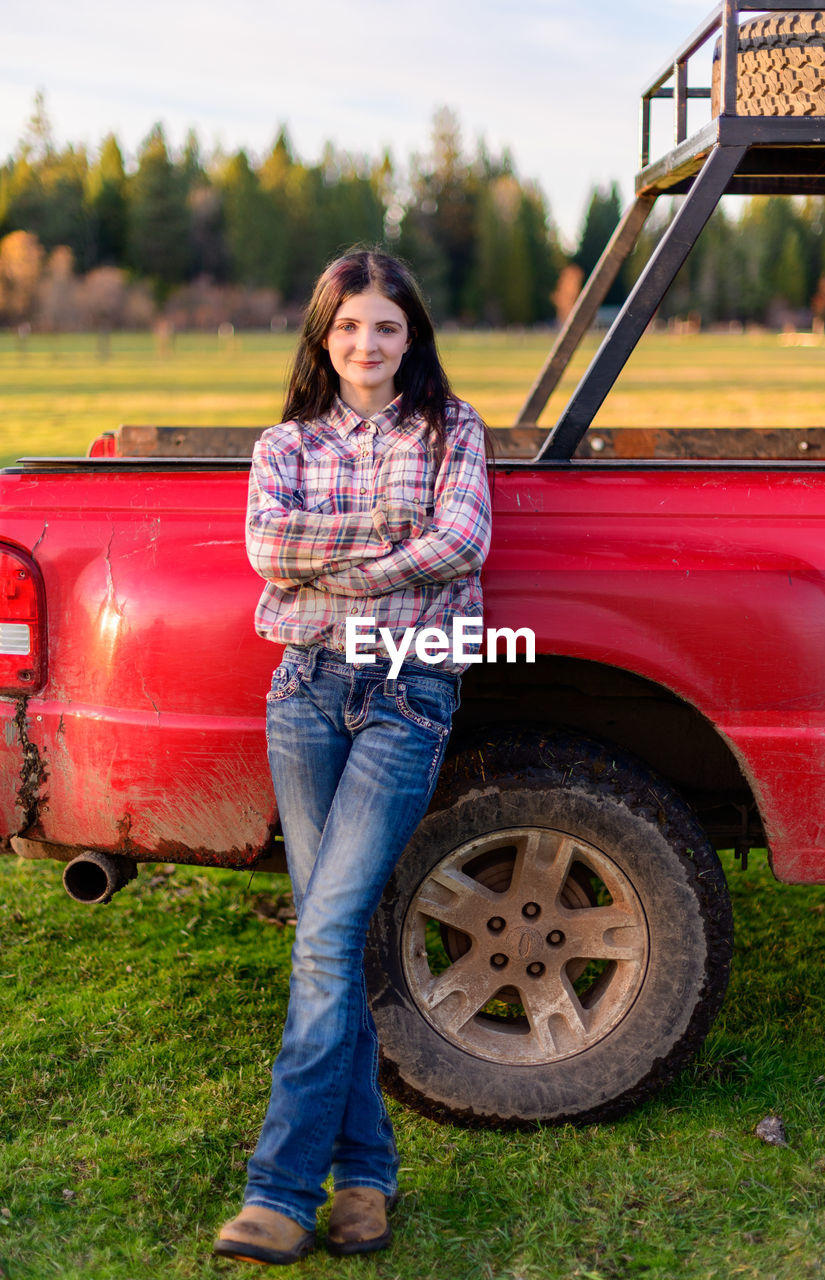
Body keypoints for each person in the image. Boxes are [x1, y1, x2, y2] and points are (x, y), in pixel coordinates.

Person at [213, 248, 492, 1266]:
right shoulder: (281, 442)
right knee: (330, 936)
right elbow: (266, 551)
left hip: (409, 689)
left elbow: (459, 542)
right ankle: (366, 1179)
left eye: (384, 326)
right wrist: (385, 529)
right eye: (347, 328)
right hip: (305, 692)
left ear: (410, 334)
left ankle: (279, 1191)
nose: (365, 345)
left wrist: (333, 549)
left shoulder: (452, 430)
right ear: (322, 338)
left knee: (324, 936)